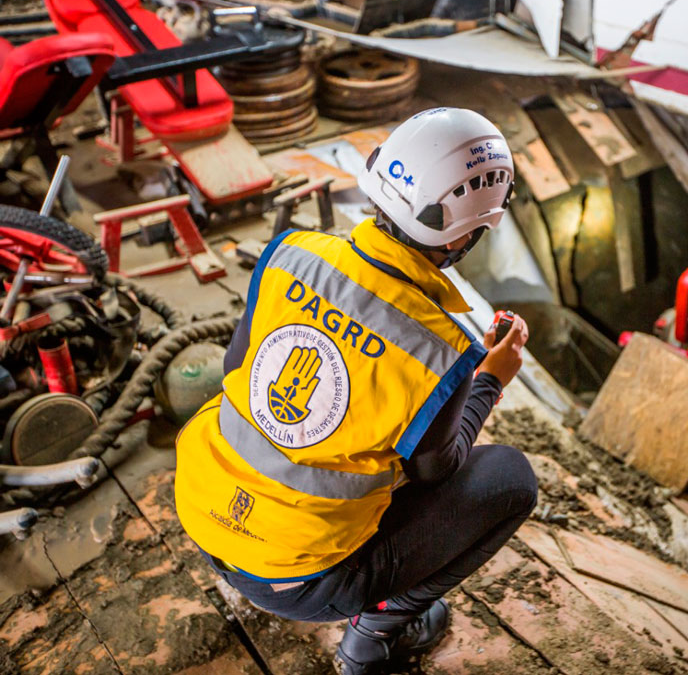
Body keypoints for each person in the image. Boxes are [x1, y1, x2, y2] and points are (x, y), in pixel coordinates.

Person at [173, 107, 538, 674]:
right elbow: (438, 473)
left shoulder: (290, 255)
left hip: (199, 511)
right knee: (510, 480)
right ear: (469, 231)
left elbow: (237, 365)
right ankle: (376, 633)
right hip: (295, 582)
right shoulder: (442, 348)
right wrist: (489, 378)